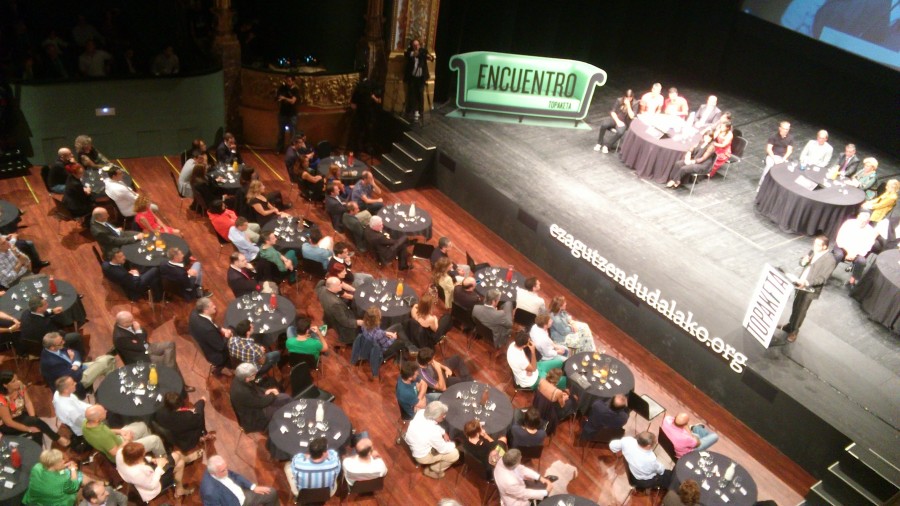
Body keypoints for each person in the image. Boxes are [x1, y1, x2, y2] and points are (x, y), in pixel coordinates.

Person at [780, 235, 838, 343]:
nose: (814, 246)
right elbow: (802, 263)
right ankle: (790, 325)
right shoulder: (812, 252)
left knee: (801, 310)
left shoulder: (830, 260)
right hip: (800, 283)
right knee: (796, 306)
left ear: (825, 247)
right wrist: (803, 261)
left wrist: (807, 283)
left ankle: (794, 331)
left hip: (810, 289)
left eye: (818, 245)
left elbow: (822, 278)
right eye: (814, 243)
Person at [0, 371, 70, 446]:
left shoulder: (20, 386)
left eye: (17, 379)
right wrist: (29, 429)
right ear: (5, 385)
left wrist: (32, 418)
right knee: (36, 424)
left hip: (20, 415)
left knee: (36, 424)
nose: (18, 382)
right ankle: (57, 438)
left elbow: (28, 403)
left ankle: (38, 447)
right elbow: (9, 422)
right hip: (6, 424)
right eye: (13, 381)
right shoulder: (1, 399)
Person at [82, 404, 167, 460]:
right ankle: (163, 460)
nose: (106, 411)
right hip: (123, 452)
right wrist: (127, 440)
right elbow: (115, 453)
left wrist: (120, 431)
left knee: (142, 425)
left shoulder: (86, 423)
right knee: (156, 440)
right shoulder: (103, 437)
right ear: (97, 420)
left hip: (119, 440)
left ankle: (145, 451)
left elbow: (106, 431)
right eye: (103, 411)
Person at [40, 332, 115, 395]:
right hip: (75, 382)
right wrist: (75, 364)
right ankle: (109, 389)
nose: (64, 342)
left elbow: (75, 352)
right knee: (107, 360)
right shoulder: (52, 363)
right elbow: (74, 377)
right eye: (61, 342)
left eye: (62, 340)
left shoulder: (54, 349)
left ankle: (111, 387)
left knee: (109, 361)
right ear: (52, 347)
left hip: (77, 369)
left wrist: (75, 364)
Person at [116, 441, 194, 500]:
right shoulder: (136, 473)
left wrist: (151, 459)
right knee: (178, 458)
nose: (145, 454)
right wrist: (159, 467)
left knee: (179, 459)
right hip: (155, 484)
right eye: (143, 454)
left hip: (149, 472)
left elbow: (142, 460)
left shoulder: (121, 453)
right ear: (137, 459)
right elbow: (152, 485)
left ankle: (179, 489)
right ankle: (180, 489)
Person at [229, 362, 291, 432]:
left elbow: (255, 388)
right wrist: (273, 394)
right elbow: (260, 403)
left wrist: (267, 391)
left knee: (285, 398)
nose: (255, 375)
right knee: (282, 405)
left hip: (257, 401)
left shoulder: (240, 378)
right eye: (253, 374)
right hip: (254, 414)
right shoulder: (241, 392)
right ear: (247, 378)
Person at [404, 401, 459, 479]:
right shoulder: (433, 432)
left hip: (414, 444)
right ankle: (432, 470)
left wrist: (443, 432)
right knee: (455, 454)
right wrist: (453, 444)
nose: (444, 416)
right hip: (422, 456)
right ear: (435, 416)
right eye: (442, 415)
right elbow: (443, 449)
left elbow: (434, 426)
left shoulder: (421, 412)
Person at [112, 311, 180, 374]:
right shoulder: (120, 338)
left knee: (170, 345)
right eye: (131, 321)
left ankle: (170, 373)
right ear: (124, 323)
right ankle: (172, 375)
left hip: (146, 346)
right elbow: (140, 347)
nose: (133, 321)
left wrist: (139, 332)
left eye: (132, 319)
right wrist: (138, 331)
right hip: (140, 356)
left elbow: (145, 332)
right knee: (168, 358)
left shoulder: (127, 323)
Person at [200, 455, 278, 505]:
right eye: (223, 471)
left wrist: (253, 487)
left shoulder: (217, 469)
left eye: (226, 468)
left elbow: (235, 476)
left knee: (271, 493)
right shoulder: (210, 493)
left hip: (242, 494)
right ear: (213, 473)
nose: (227, 471)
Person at [189, 298, 234, 376]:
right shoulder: (208, 330)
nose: (215, 306)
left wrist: (220, 328)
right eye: (212, 305)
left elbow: (210, 322)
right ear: (206, 310)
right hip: (215, 354)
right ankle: (230, 366)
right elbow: (221, 347)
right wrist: (226, 336)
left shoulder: (194, 312)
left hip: (203, 341)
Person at [835, 211, 879, 288]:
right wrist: (849, 252)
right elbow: (840, 239)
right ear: (858, 217)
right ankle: (827, 272)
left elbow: (867, 247)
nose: (862, 222)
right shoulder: (848, 223)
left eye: (864, 221)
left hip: (857, 252)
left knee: (861, 261)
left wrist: (854, 253)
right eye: (861, 220)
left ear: (868, 222)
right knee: (838, 255)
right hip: (843, 247)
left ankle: (852, 281)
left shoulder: (870, 231)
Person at [316, 277, 364, 344]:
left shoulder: (321, 289)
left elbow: (321, 282)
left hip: (328, 313)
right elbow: (344, 321)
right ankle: (350, 341)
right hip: (338, 320)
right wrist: (357, 322)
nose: (341, 285)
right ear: (332, 287)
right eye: (339, 285)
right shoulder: (335, 304)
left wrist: (329, 280)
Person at [593, 89, 636, 153]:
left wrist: (628, 105)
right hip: (615, 119)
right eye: (627, 97)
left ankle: (607, 146)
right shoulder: (619, 100)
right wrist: (618, 121)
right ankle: (599, 143)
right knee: (604, 124)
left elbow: (632, 116)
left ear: (632, 97)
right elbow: (613, 112)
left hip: (624, 122)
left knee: (620, 132)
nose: (628, 99)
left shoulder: (635, 103)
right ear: (624, 96)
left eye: (630, 98)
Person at [52, 376, 91, 441]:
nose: (75, 383)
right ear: (66, 390)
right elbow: (83, 424)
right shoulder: (70, 410)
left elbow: (79, 404)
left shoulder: (58, 392)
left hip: (84, 413)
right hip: (85, 427)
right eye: (72, 384)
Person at [758, 121, 794, 191]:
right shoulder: (773, 136)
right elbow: (769, 149)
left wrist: (783, 159)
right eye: (784, 129)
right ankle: (761, 185)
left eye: (787, 129)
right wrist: (774, 159)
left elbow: (789, 151)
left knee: (788, 169)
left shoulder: (790, 138)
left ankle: (777, 189)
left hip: (782, 157)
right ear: (780, 128)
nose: (785, 130)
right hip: (772, 156)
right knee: (769, 166)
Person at [404, 39, 432, 120]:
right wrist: (414, 53)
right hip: (413, 77)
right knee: (412, 94)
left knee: (420, 94)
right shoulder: (410, 51)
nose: (416, 46)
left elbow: (429, 57)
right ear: (412, 46)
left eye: (417, 45)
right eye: (414, 45)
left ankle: (421, 111)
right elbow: (406, 54)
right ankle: (411, 111)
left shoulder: (423, 51)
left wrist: (429, 57)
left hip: (421, 78)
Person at [276, 75, 299, 153]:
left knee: (293, 133)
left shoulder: (295, 90)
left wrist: (284, 98)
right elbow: (278, 97)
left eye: (289, 81)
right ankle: (279, 149)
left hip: (292, 114)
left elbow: (293, 101)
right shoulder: (282, 88)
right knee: (281, 132)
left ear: (293, 81)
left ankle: (292, 150)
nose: (287, 82)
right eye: (287, 80)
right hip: (283, 113)